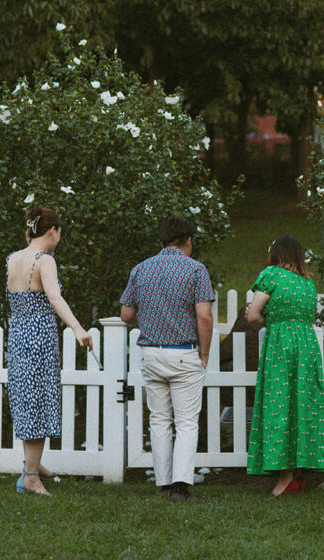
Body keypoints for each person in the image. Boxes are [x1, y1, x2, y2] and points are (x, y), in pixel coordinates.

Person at [120, 215, 215, 502]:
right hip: (183, 353)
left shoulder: (141, 269)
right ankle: (180, 484)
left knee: (159, 420)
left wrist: (150, 316)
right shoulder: (196, 270)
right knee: (186, 421)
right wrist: (205, 351)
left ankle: (163, 482)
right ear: (188, 240)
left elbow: (125, 315)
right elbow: (204, 316)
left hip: (151, 353)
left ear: (161, 241)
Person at [6, 205, 92, 496]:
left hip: (18, 336)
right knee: (38, 403)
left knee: (26, 400)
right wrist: (78, 328)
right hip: (39, 338)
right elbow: (54, 297)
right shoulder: (45, 260)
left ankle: (33, 464)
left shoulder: (13, 258)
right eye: (60, 231)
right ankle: (30, 477)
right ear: (53, 230)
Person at [246, 235, 324, 496]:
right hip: (306, 346)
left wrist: (269, 319)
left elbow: (253, 315)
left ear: (277, 254)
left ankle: (285, 478)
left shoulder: (271, 275)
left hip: (281, 345)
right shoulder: (307, 282)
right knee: (302, 405)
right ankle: (298, 474)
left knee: (280, 404)